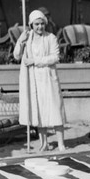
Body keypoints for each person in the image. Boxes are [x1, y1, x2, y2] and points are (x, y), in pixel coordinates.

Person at [13, 9, 66, 151]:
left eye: (42, 24)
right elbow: (17, 56)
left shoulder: (51, 38)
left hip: (48, 79)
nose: (40, 27)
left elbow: (55, 57)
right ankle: (44, 143)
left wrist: (35, 61)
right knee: (39, 112)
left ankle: (61, 143)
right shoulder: (27, 38)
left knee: (55, 110)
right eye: (36, 24)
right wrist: (20, 41)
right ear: (31, 24)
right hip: (33, 80)